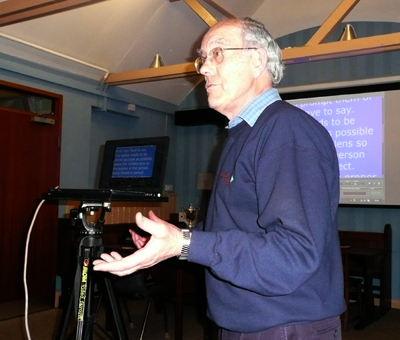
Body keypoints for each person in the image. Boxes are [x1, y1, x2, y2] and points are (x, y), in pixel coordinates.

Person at [94, 17, 346, 339]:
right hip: (250, 323)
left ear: (257, 59)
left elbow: (292, 255)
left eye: (218, 53)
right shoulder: (243, 134)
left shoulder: (286, 131)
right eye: (203, 57)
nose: (203, 68)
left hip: (283, 326)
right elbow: (236, 230)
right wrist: (172, 242)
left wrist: (184, 243)